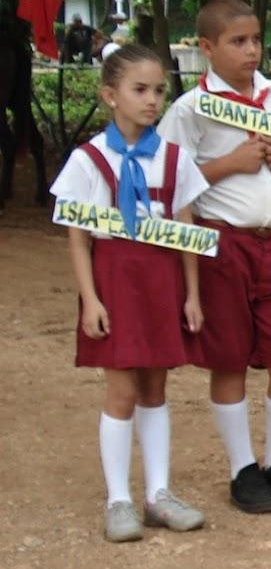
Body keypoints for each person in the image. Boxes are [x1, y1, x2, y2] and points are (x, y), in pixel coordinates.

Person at [159, 0, 271, 513]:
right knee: (228, 357)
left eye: (255, 39)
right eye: (237, 42)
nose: (251, 50)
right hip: (221, 246)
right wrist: (229, 163)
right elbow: (167, 184)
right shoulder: (191, 110)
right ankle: (241, 467)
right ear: (207, 48)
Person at [53, 46, 208, 541]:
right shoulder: (89, 159)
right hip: (115, 279)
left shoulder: (174, 158)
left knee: (156, 388)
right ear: (109, 95)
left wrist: (192, 295)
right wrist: (90, 299)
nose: (152, 100)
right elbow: (77, 236)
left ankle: (158, 494)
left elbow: (187, 230)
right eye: (139, 90)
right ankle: (119, 499)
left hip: (161, 280)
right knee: (121, 389)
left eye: (159, 90)